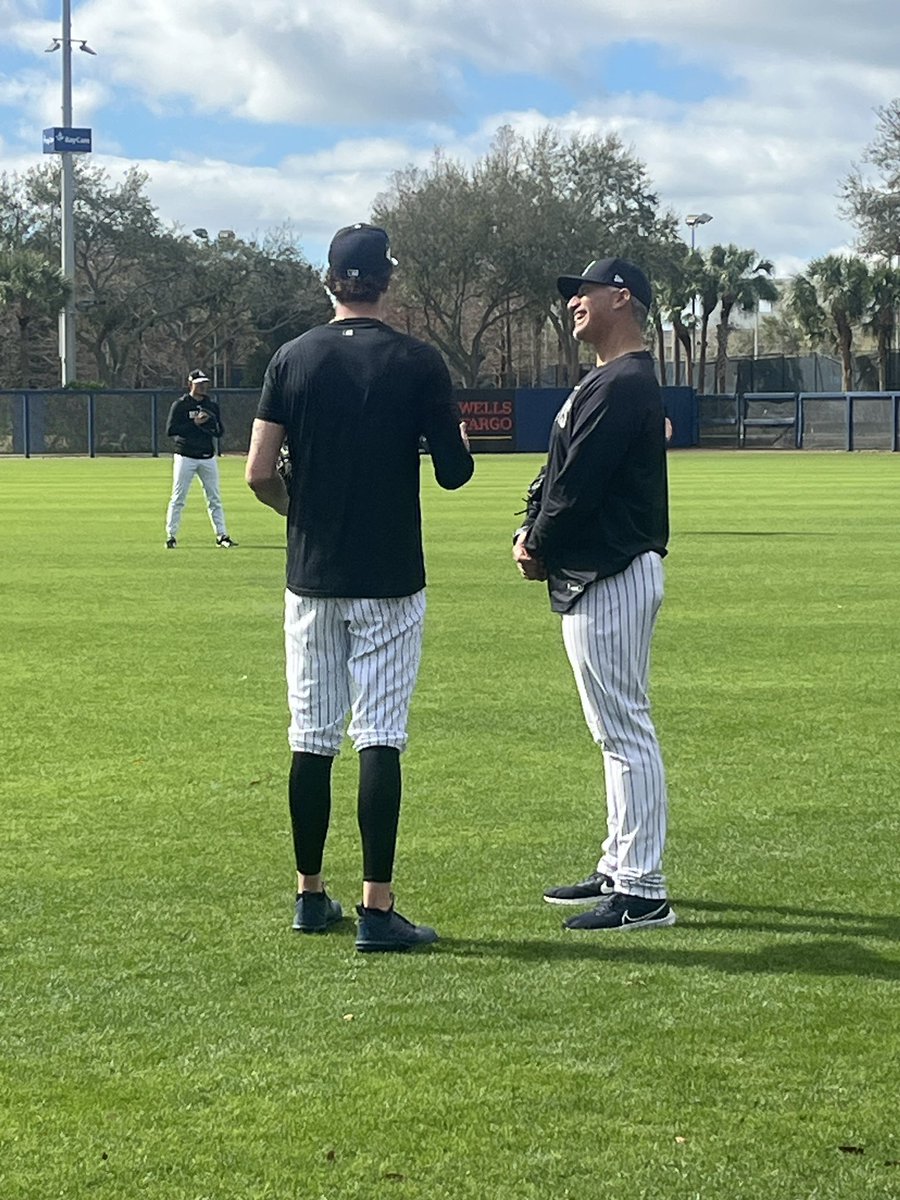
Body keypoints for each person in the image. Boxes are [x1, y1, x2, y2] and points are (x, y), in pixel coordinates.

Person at [245, 223, 474, 952]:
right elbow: (454, 471)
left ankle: (310, 896)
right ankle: (378, 910)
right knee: (380, 734)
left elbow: (257, 472)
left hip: (312, 572)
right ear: (386, 282)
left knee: (311, 736)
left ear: (329, 281)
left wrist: (302, 513)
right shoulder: (417, 360)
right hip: (390, 574)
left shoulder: (293, 357)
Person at [513, 257, 675, 931]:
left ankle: (642, 888)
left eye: (583, 291)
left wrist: (539, 542)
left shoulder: (627, 382)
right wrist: (529, 524)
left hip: (611, 569)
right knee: (612, 728)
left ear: (622, 297)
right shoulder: (605, 381)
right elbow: (556, 472)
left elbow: (578, 486)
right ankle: (619, 865)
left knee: (623, 729)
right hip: (597, 571)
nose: (574, 301)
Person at [164, 369, 237, 549]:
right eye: (199, 383)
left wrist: (210, 423)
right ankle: (171, 536)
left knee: (214, 498)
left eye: (205, 383)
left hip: (207, 456)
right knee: (178, 498)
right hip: (185, 456)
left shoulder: (211, 405)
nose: (203, 386)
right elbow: (171, 430)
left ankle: (222, 536)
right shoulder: (180, 405)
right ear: (191, 384)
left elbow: (219, 432)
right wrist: (194, 423)